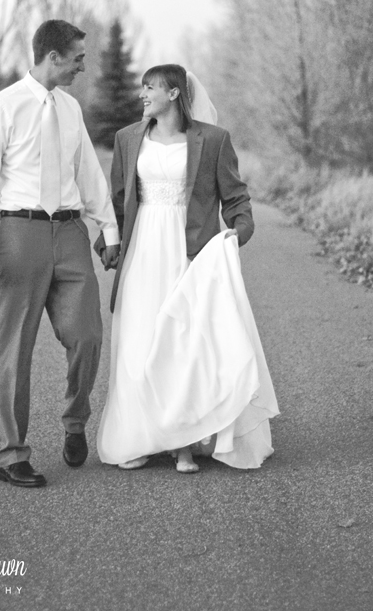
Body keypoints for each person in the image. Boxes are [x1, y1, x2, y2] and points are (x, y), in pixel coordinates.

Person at [95, 64, 278, 473]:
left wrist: (238, 233)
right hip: (142, 252)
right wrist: (108, 243)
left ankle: (184, 444)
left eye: (150, 87)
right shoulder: (127, 138)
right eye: (142, 87)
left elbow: (235, 197)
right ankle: (140, 437)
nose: (142, 94)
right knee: (138, 341)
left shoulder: (213, 140)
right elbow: (119, 199)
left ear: (174, 93)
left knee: (183, 344)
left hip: (189, 253)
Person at [0, 19, 120, 488]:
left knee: (88, 335)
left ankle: (75, 420)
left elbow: (88, 171)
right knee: (15, 347)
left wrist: (108, 227)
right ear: (53, 57)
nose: (82, 66)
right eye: (77, 57)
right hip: (20, 233)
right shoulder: (2, 105)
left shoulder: (70, 108)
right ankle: (12, 455)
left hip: (70, 232)